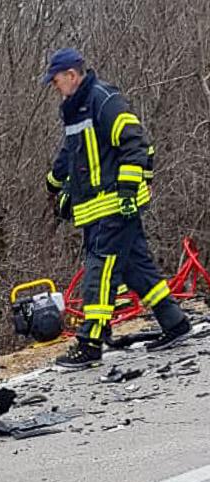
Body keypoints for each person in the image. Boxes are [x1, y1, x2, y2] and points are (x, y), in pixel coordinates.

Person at [42, 48, 191, 369]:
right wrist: (53, 184)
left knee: (100, 270)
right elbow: (70, 153)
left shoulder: (103, 99)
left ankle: (89, 342)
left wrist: (127, 190)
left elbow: (135, 142)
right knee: (135, 267)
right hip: (94, 208)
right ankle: (174, 322)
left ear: (71, 75)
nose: (54, 87)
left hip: (114, 205)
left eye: (55, 80)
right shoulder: (74, 110)